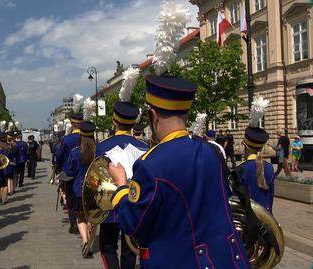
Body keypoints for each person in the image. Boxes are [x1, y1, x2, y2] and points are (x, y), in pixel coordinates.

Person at [109, 75, 252, 268]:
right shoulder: (211, 152)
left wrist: (121, 186)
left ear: (153, 115)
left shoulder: (150, 165)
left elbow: (131, 223)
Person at [96, 101, 148, 269]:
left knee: (107, 247)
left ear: (114, 121)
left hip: (110, 205)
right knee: (130, 249)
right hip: (134, 204)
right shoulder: (144, 147)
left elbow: (96, 180)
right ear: (133, 123)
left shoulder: (102, 147)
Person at [65, 121, 96, 258]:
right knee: (93, 218)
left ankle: (84, 241)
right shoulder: (99, 150)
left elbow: (69, 171)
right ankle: (90, 241)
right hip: (95, 190)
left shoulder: (75, 152)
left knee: (81, 217)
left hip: (78, 189)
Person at [55, 113, 83, 234]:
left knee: (70, 197)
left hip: (69, 171)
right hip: (84, 170)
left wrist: (58, 168)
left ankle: (73, 223)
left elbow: (60, 156)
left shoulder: (67, 139)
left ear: (72, 124)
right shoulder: (88, 137)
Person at [238, 124, 275, 213]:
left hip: (248, 220)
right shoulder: (269, 167)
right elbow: (270, 197)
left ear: (245, 146)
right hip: (266, 218)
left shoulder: (241, 169)